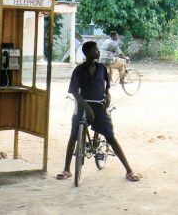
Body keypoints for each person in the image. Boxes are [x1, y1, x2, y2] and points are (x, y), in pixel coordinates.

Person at [56, 41, 139, 182]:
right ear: (87, 53)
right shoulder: (78, 70)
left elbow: (107, 89)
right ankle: (66, 169)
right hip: (82, 107)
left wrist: (107, 97)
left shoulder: (102, 68)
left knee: (111, 138)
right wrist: (87, 108)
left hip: (100, 107)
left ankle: (129, 170)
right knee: (73, 136)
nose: (98, 52)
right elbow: (75, 93)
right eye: (95, 49)